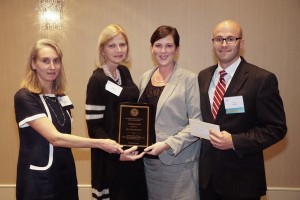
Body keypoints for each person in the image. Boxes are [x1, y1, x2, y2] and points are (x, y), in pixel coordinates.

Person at [14, 39, 127, 200]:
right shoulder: (25, 97)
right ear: (33, 64)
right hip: (39, 181)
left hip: (65, 175)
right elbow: (55, 138)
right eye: (45, 61)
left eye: (56, 61)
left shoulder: (61, 97)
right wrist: (100, 143)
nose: (52, 67)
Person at [198, 19, 287, 200]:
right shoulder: (203, 76)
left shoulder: (261, 79)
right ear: (213, 42)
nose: (223, 44)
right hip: (207, 180)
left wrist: (235, 141)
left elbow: (276, 128)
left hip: (242, 182)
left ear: (242, 43)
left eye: (230, 39)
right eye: (218, 39)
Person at [85, 24, 148, 200]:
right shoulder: (97, 80)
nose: (118, 50)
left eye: (122, 44)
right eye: (112, 45)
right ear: (102, 49)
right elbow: (94, 127)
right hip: (111, 160)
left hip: (131, 156)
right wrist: (117, 152)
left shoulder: (124, 72)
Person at [138, 25, 201, 200]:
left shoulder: (189, 79)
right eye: (158, 45)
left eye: (169, 46)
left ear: (177, 49)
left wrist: (166, 144)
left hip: (179, 165)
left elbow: (197, 125)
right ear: (151, 48)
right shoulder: (144, 78)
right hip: (149, 164)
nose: (163, 51)